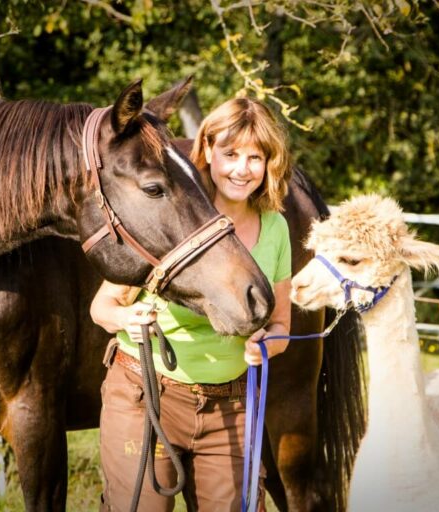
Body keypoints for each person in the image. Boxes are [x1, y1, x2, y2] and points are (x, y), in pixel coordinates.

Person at [90, 97, 293, 511]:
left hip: (231, 407)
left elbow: (282, 326)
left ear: (270, 162)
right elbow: (102, 307)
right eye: (231, 153)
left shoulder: (276, 229)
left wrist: (266, 344)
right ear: (208, 150)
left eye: (256, 157)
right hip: (147, 399)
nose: (242, 168)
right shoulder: (175, 212)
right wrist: (127, 318)